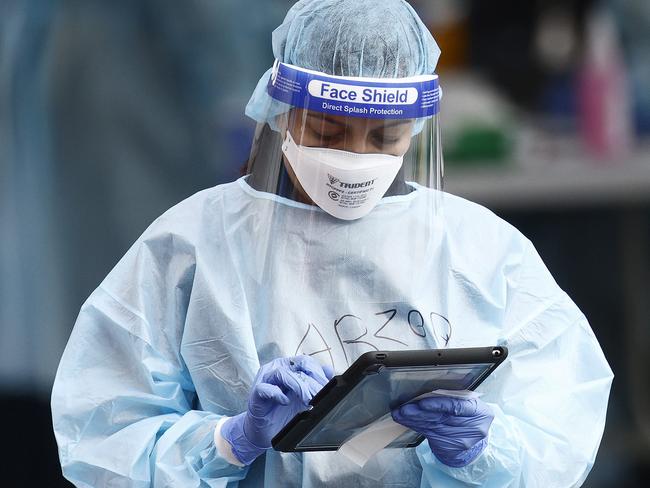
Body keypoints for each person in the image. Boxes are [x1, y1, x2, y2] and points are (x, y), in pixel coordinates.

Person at [51, 0, 613, 486]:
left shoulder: (482, 249)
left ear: (415, 128)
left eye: (384, 136)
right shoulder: (193, 244)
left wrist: (484, 450)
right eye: (326, 131)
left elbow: (559, 421)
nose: (353, 157)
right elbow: (104, 431)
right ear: (280, 108)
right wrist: (231, 439)